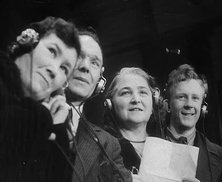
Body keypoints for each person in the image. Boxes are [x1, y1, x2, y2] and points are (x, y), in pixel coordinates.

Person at [0, 16, 80, 181]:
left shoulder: (51, 122)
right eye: (52, 51)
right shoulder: (39, 118)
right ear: (27, 41)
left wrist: (57, 130)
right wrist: (42, 118)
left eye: (64, 68)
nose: (54, 70)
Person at [51, 29, 132, 182]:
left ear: (100, 82)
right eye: (77, 57)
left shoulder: (109, 144)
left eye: (94, 63)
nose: (85, 67)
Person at [163, 64, 222, 182]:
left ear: (202, 107)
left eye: (195, 98)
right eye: (181, 97)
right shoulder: (146, 147)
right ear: (168, 105)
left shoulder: (220, 157)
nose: (189, 104)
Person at [103, 67, 161, 173]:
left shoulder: (165, 146)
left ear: (154, 103)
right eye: (126, 93)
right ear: (110, 104)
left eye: (143, 92)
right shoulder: (101, 148)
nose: (136, 100)